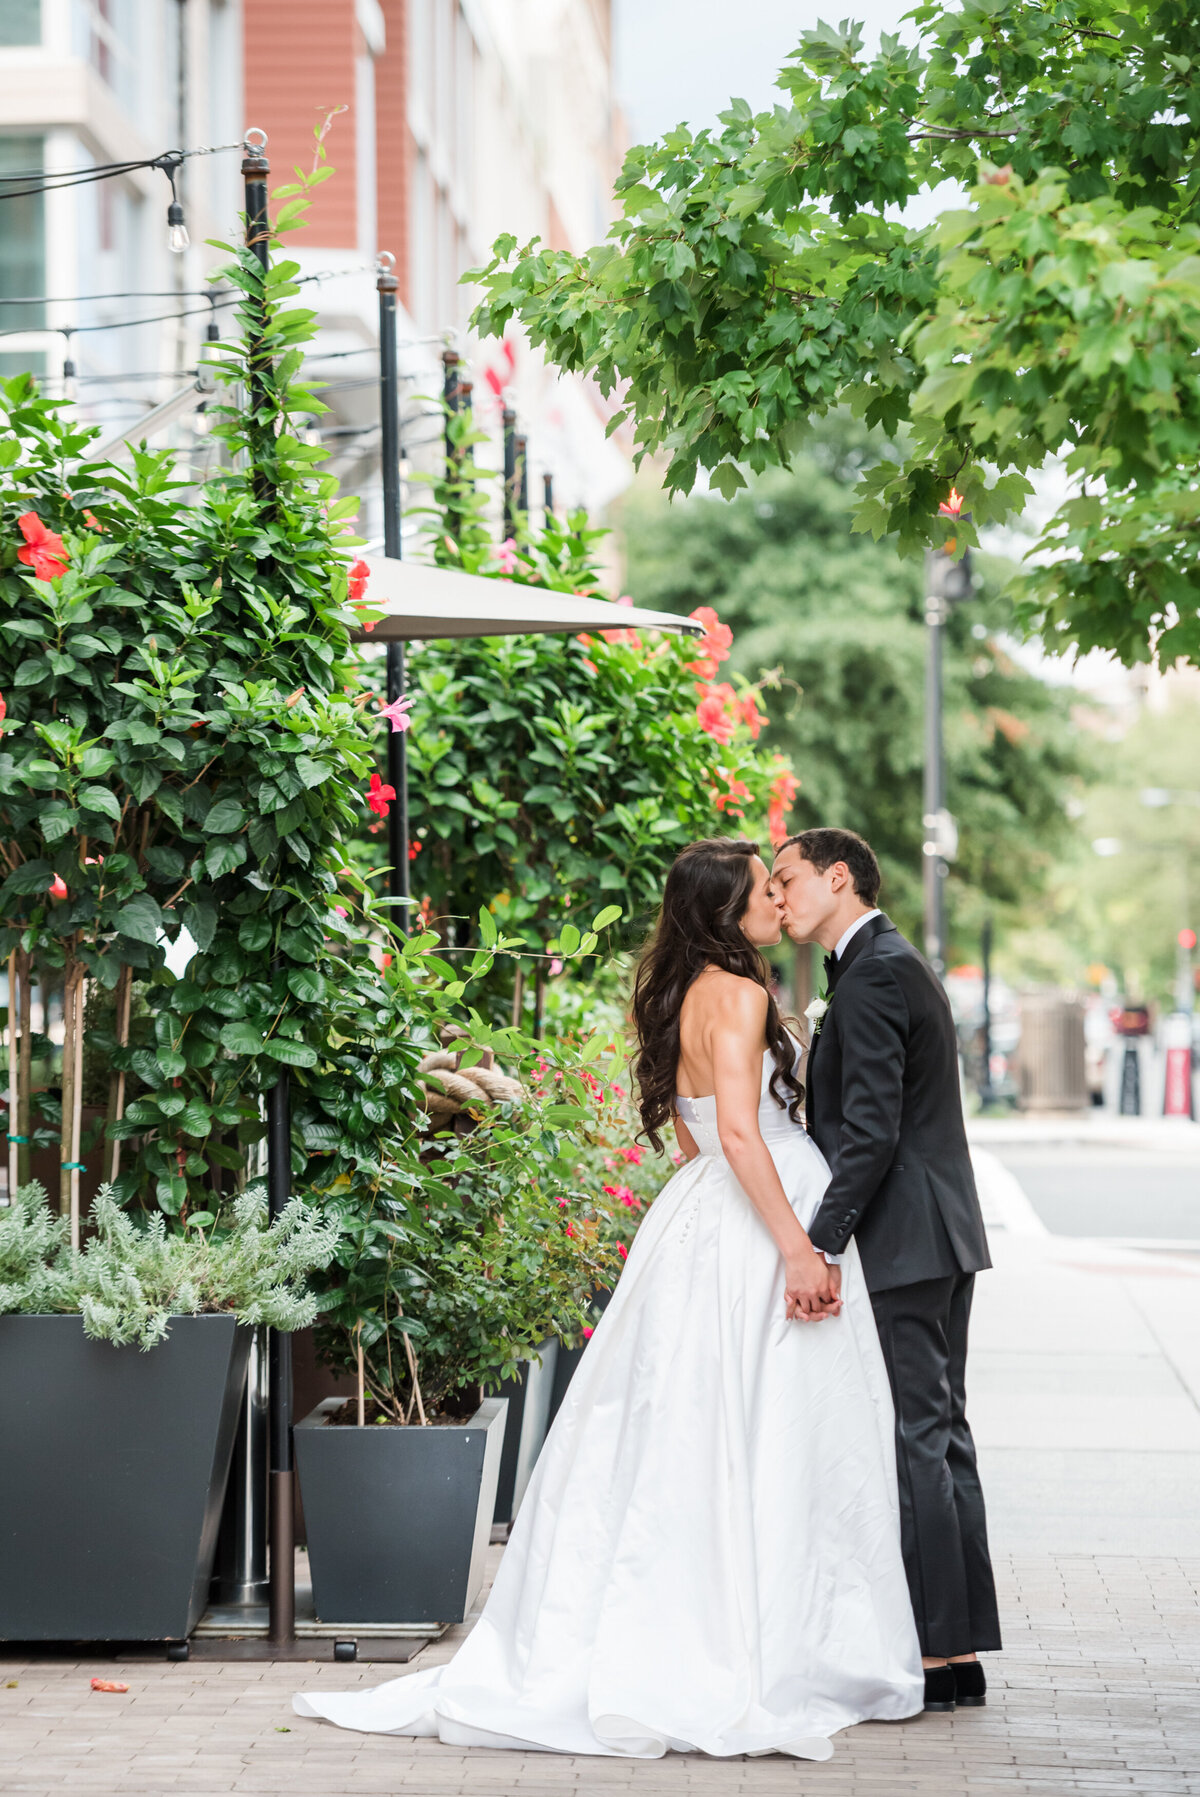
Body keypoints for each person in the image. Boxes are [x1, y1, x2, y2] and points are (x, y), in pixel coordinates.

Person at [294, 837, 922, 1758]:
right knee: (771, 1427)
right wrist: (796, 1243)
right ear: (724, 909)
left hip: (699, 1217)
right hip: (758, 1220)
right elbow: (744, 1137)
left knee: (684, 1423)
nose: (772, 902)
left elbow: (693, 1139)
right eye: (760, 890)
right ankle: (772, 1638)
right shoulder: (742, 996)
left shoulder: (677, 997)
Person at [771, 826, 1001, 1712]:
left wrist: (819, 1242)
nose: (781, 895)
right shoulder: (881, 964)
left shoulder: (870, 974)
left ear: (839, 878)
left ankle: (942, 1655)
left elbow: (870, 1133)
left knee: (919, 1439)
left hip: (906, 1240)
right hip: (934, 1234)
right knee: (940, 1436)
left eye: (789, 879)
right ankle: (957, 1652)